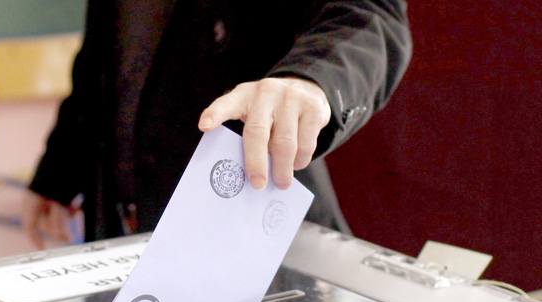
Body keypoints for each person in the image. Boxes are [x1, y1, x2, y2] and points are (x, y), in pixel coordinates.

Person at [23, 0, 412, 248]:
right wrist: (57, 174)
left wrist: (312, 79)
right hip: (128, 228)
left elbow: (368, 14)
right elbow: (106, 54)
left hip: (255, 234)